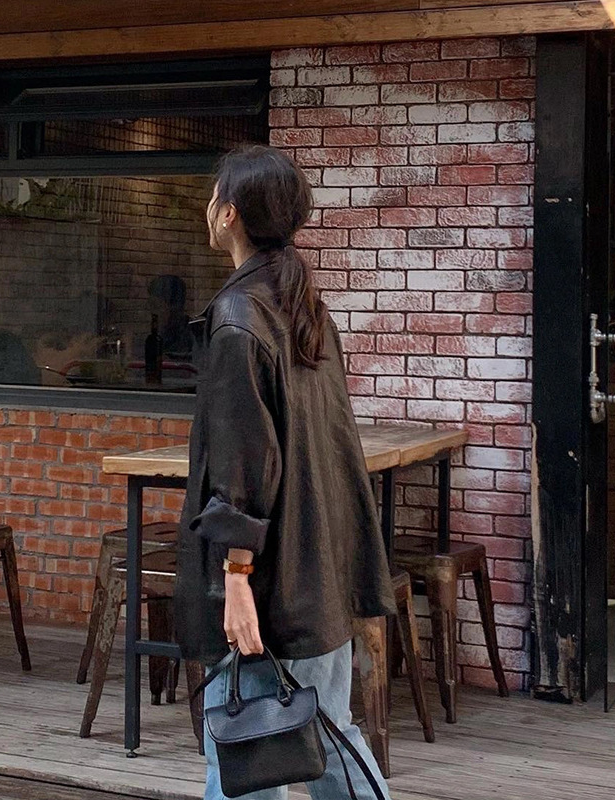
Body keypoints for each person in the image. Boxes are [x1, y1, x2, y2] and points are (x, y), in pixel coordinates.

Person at [174, 145, 395, 800]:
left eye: (213, 196)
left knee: (247, 750)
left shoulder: (239, 320)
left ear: (229, 214)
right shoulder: (303, 307)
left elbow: (245, 465)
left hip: (270, 581)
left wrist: (236, 579)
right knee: (327, 738)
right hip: (317, 569)